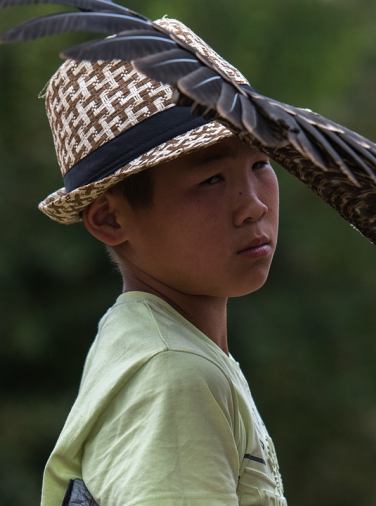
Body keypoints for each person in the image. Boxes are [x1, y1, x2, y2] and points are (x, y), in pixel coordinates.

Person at [38, 18, 285, 505]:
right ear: (110, 219)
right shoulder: (175, 374)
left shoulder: (155, 343)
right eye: (211, 180)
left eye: (260, 164)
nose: (253, 205)